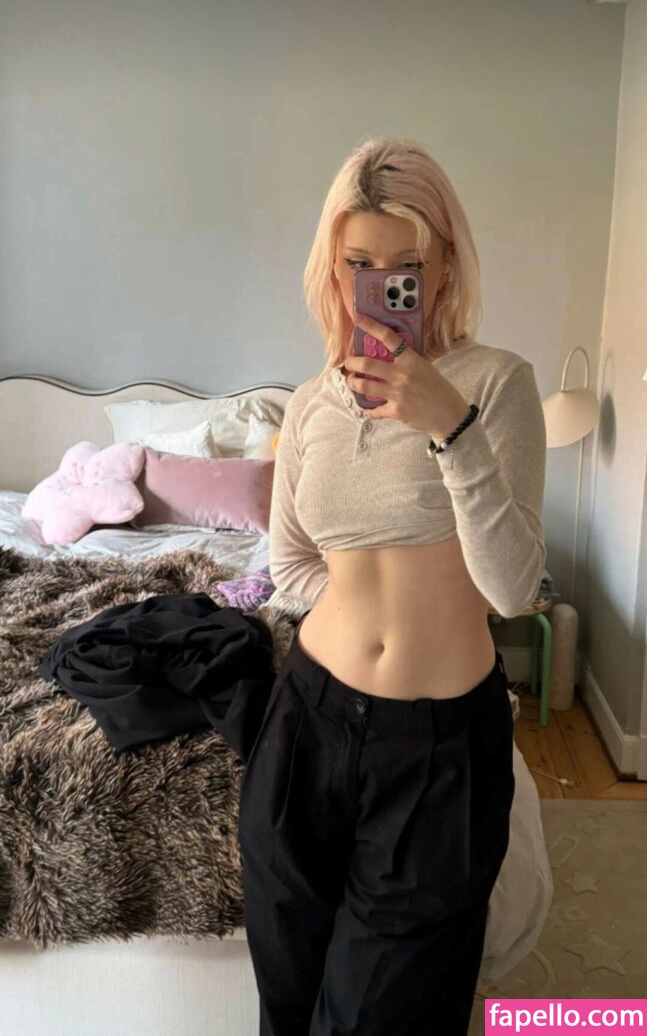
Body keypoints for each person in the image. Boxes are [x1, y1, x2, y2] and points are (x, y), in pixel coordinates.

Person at [237, 135, 547, 1036]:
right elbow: (291, 566)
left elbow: (513, 590)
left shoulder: (495, 384)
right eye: (358, 264)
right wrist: (356, 614)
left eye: (406, 263)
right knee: (287, 1000)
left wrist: (452, 430)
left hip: (438, 748)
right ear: (331, 270)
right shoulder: (307, 405)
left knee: (385, 1016)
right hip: (307, 722)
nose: (382, 285)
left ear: (445, 264)